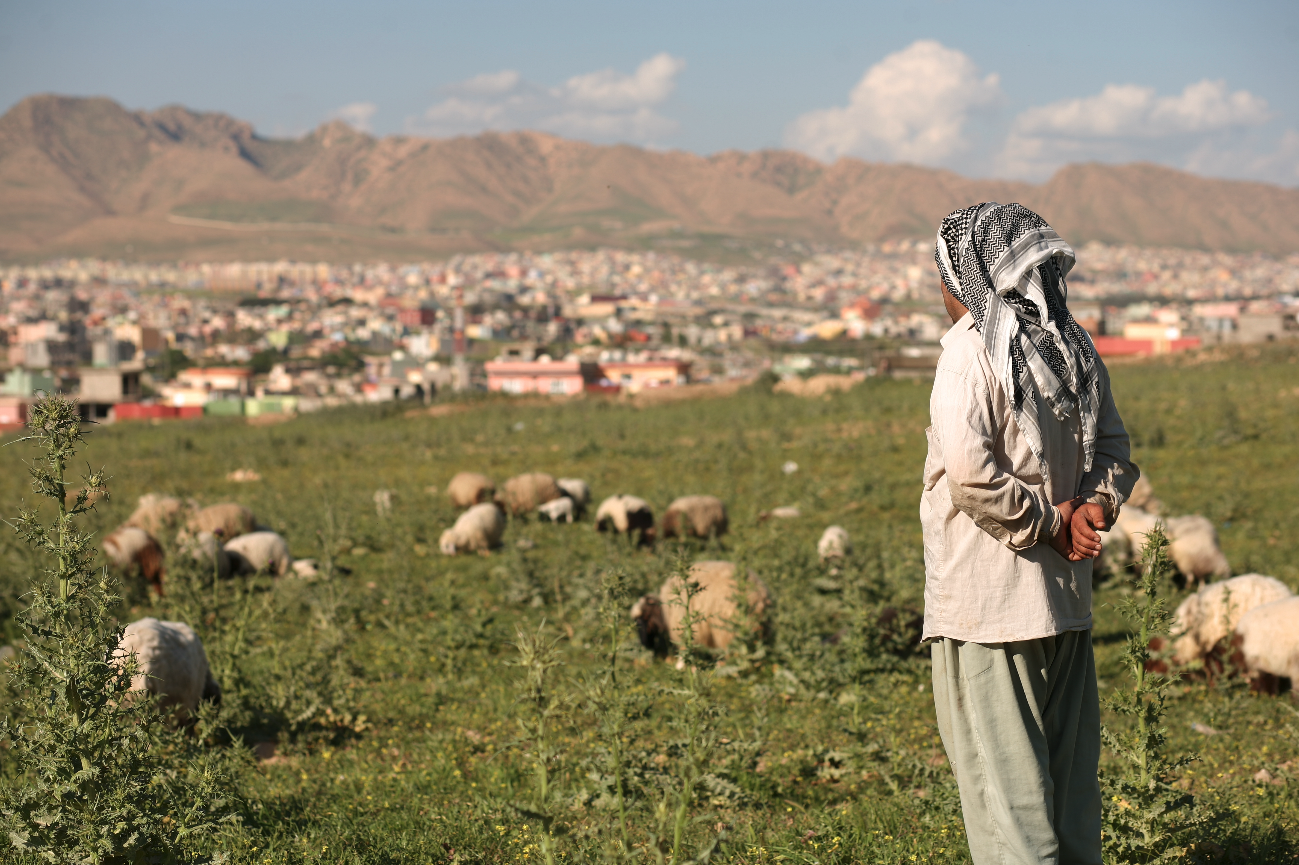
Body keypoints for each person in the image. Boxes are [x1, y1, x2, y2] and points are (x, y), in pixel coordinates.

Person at [920, 203, 1138, 865]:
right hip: (1065, 604)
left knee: (1007, 807)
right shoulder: (1071, 343)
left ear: (969, 274)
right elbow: (1114, 449)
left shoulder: (969, 354)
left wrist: (1048, 524)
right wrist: (1087, 513)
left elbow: (970, 474)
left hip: (989, 609)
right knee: (1069, 799)